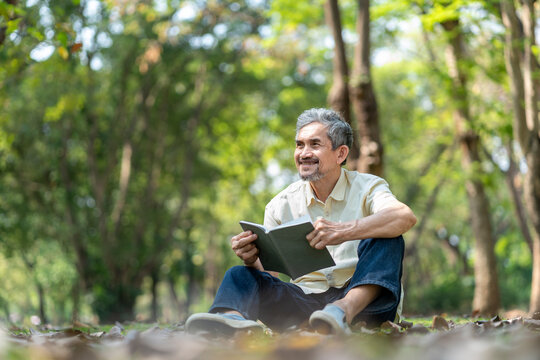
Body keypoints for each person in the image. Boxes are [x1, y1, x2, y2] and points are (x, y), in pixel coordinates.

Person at [186, 108, 417, 335]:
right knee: (238, 273)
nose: (304, 153)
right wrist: (253, 260)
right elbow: (270, 279)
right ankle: (230, 319)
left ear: (341, 154)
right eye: (299, 145)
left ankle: (341, 311)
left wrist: (345, 230)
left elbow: (404, 217)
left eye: (315, 145)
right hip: (304, 307)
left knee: (388, 235)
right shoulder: (280, 204)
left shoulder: (369, 186)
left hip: (366, 307)